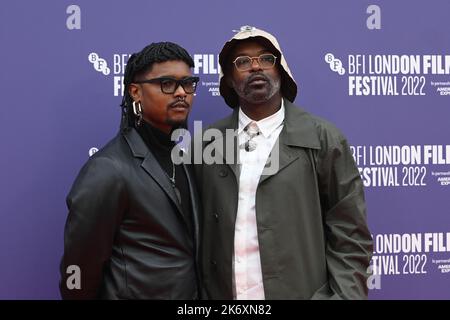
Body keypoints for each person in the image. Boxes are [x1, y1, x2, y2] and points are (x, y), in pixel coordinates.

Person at [195, 26, 373, 299]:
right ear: (229, 79)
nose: (256, 67)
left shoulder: (323, 138)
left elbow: (350, 234)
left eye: (266, 59)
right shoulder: (207, 143)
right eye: (242, 62)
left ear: (281, 69)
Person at [60, 42, 201, 299]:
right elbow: (78, 272)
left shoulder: (186, 161)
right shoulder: (108, 169)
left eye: (188, 83)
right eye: (167, 83)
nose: (181, 92)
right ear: (135, 91)